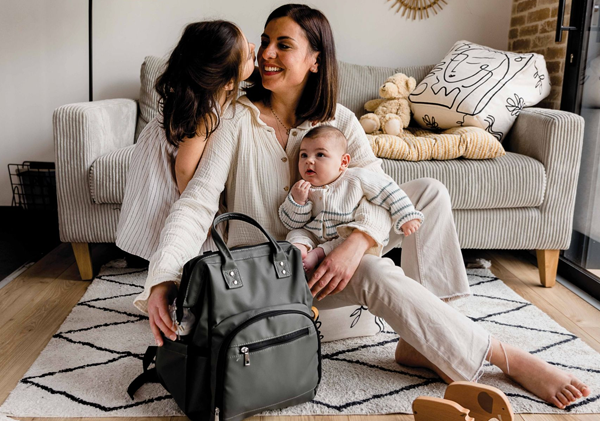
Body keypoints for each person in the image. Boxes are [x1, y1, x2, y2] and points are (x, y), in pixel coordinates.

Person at [134, 4, 590, 409]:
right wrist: (164, 278)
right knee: (375, 272)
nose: (267, 53)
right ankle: (502, 355)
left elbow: (378, 184)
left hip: (328, 258)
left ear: (315, 61)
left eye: (284, 45)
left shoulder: (339, 120)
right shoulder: (235, 116)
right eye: (266, 42)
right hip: (267, 279)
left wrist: (359, 241)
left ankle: (423, 341)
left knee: (427, 192)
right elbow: (195, 202)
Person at [116, 20, 256, 261]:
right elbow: (184, 169)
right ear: (229, 82)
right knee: (187, 244)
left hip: (160, 166)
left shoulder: (199, 98)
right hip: (170, 180)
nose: (254, 46)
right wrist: (197, 210)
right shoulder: (206, 111)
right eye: (248, 54)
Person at [279, 125, 423, 272]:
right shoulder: (303, 188)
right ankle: (298, 249)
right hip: (313, 233)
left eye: (320, 155)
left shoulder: (356, 178)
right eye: (304, 155)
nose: (309, 161)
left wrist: (406, 215)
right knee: (296, 234)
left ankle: (317, 255)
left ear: (343, 162)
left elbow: (388, 190)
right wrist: (298, 202)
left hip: (344, 233)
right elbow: (292, 223)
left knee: (345, 239)